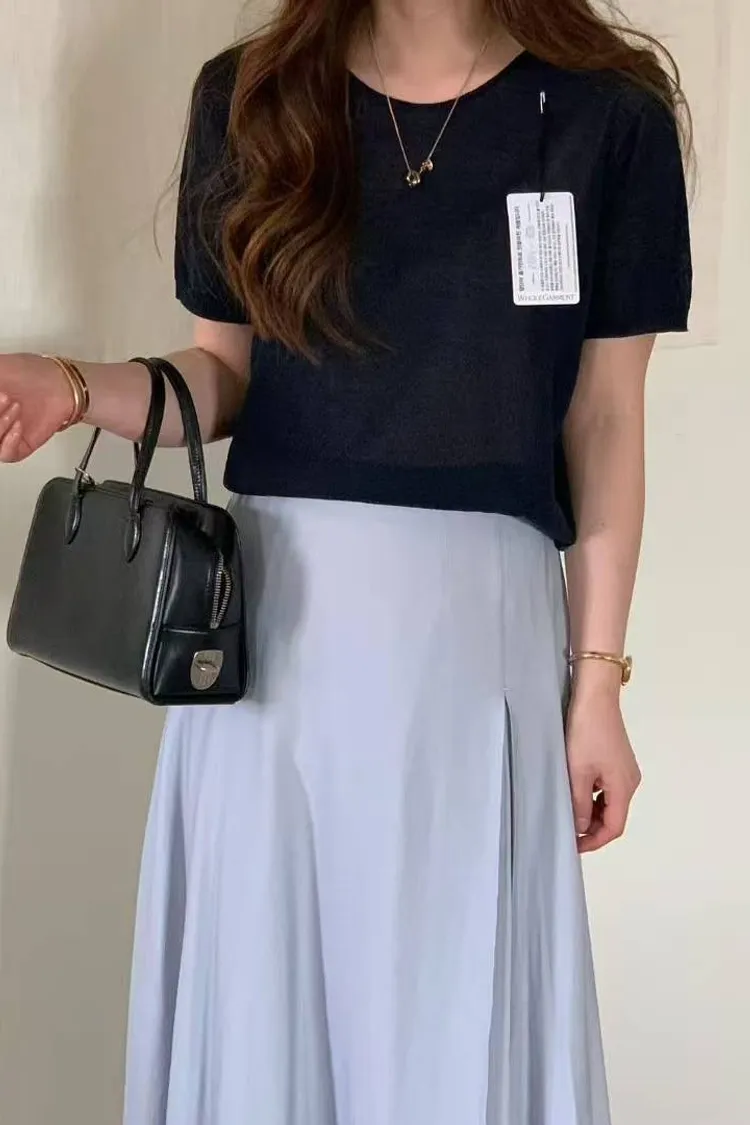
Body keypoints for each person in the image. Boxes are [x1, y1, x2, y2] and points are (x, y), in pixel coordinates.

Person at [0, 0, 692, 1121]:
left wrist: (598, 682)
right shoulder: (253, 99)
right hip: (279, 640)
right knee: (271, 1005)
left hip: (475, 645)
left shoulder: (608, 118)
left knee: (447, 1006)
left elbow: (605, 418)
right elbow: (224, 379)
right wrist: (74, 388)